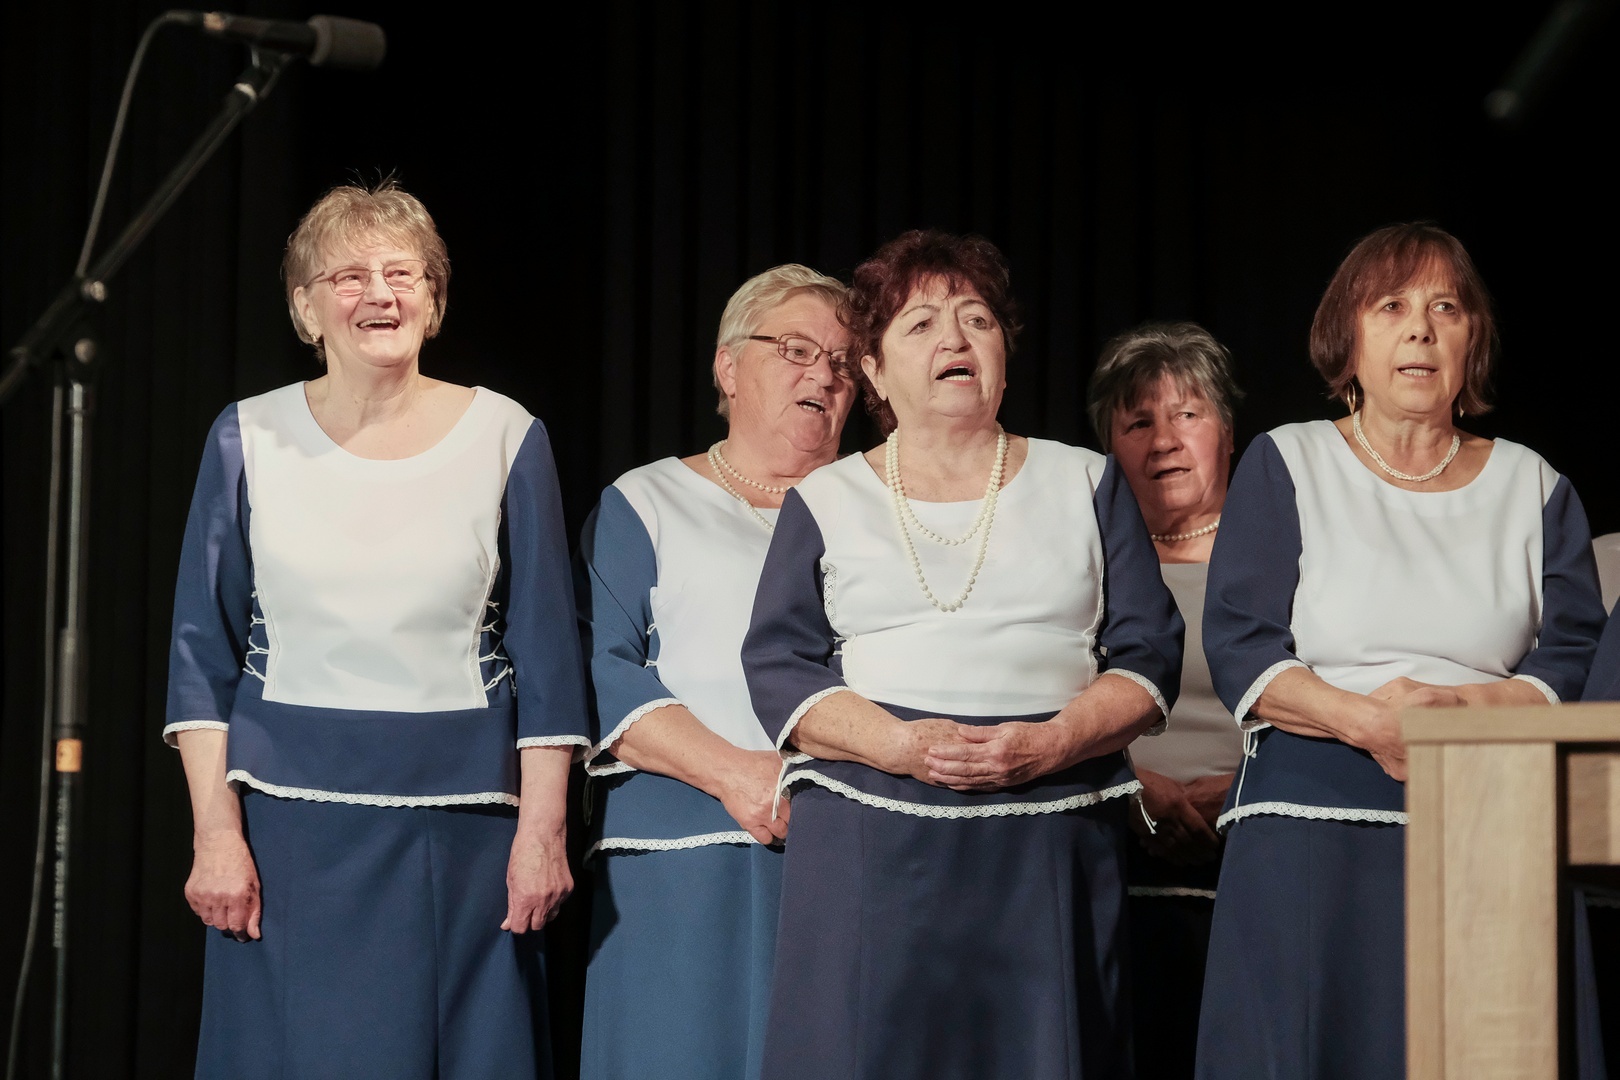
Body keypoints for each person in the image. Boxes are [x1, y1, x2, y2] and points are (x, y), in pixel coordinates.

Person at [164, 180, 588, 1078]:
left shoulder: (507, 433)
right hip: (283, 832)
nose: (380, 294)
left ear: (434, 299)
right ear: (304, 307)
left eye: (404, 274)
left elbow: (548, 654)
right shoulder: (246, 435)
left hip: (464, 829)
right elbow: (202, 654)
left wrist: (543, 831)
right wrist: (215, 833)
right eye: (349, 276)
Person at [741, 230, 1184, 1080]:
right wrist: (898, 744)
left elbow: (1148, 651)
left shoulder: (1086, 481)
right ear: (873, 371)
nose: (954, 338)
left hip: (1049, 834)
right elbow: (779, 666)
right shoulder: (827, 497)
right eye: (921, 324)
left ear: (1004, 359)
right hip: (870, 836)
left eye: (976, 319)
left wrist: (1052, 741)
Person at [1195, 222, 1605, 1079]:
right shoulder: (1287, 461)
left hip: (1490, 815)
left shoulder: (1535, 484)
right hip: (1311, 820)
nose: (1420, 328)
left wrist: (1459, 713)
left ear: (1472, 341)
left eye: (1445, 308)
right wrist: (1368, 723)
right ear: (1347, 340)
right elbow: (1241, 644)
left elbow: (1573, 659)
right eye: (1391, 307)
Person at [574, 264, 857, 1079]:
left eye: (843, 362)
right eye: (796, 350)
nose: (823, 375)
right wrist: (737, 774)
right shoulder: (647, 501)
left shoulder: (878, 511)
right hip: (684, 856)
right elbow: (603, 668)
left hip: (846, 858)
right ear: (728, 368)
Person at [1087, 322, 1244, 1079]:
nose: (1164, 441)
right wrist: (1129, 789)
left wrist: (1241, 793)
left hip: (1255, 840)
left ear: (1229, 432)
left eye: (1187, 414)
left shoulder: (1285, 557)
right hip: (1108, 839)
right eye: (1138, 423)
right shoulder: (1080, 561)